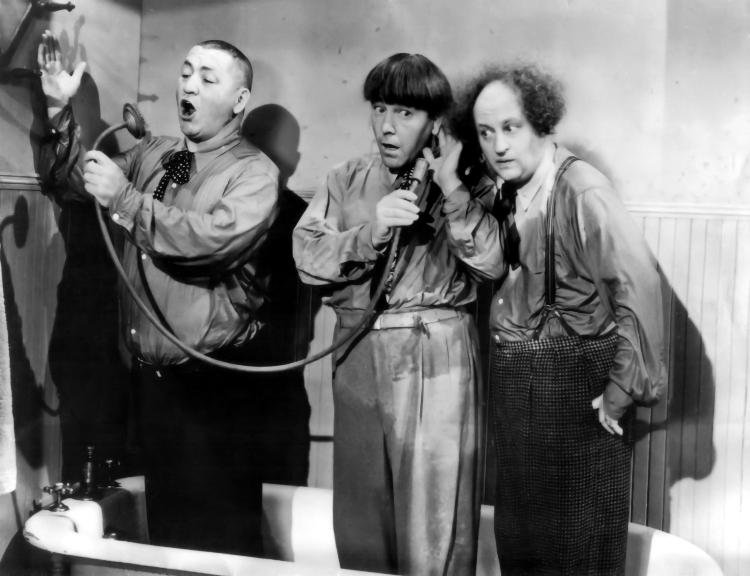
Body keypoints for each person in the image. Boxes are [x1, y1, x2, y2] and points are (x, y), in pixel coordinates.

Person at [36, 31, 279, 556]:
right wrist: (57, 109)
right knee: (166, 541)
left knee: (218, 544)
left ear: (239, 100)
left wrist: (124, 198)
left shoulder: (255, 174)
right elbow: (74, 183)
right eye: (186, 73)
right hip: (152, 386)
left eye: (207, 79)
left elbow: (207, 242)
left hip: (214, 389)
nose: (188, 85)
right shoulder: (157, 153)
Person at [449, 64, 667, 575]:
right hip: (519, 385)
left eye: (511, 127)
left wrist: (621, 390)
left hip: (577, 389)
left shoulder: (582, 190)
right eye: (485, 132)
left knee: (579, 548)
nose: (498, 145)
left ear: (541, 123)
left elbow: (638, 289)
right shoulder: (504, 188)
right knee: (521, 544)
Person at [293, 53, 502, 576]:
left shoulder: (469, 184)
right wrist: (372, 233)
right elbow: (306, 259)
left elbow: (492, 262)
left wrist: (450, 186)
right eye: (379, 108)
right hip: (357, 352)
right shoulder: (346, 178)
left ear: (435, 122)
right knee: (361, 517)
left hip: (435, 355)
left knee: (434, 518)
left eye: (405, 113)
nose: (386, 126)